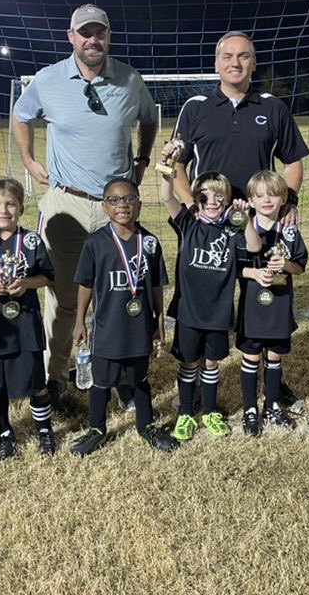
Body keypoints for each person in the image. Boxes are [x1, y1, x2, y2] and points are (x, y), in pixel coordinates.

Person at [12, 4, 158, 412]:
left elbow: (149, 119)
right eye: (85, 33)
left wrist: (142, 159)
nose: (93, 40)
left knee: (122, 292)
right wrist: (28, 159)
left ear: (108, 36)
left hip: (117, 207)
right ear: (71, 37)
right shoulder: (48, 79)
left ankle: (124, 377)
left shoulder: (130, 79)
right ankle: (54, 377)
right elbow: (21, 115)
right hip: (67, 204)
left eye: (100, 33)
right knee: (62, 297)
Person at [169, 30, 309, 408]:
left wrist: (289, 200)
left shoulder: (273, 107)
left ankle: (270, 381)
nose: (235, 62)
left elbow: (293, 162)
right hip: (207, 225)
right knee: (199, 300)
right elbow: (177, 164)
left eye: (243, 56)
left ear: (253, 63)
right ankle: (193, 384)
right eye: (228, 56)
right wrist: (192, 206)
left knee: (262, 299)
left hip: (254, 225)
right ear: (216, 63)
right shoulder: (195, 107)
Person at [70, 177, 176, 456]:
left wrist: (159, 320)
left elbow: (156, 285)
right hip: (108, 328)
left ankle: (146, 427)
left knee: (139, 378)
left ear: (139, 205)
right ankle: (97, 429)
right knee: (102, 381)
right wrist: (80, 321)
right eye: (114, 200)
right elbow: (85, 284)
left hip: (139, 327)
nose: (122, 205)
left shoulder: (149, 243)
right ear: (104, 207)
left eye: (129, 199)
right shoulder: (95, 242)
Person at [158, 159, 261, 442]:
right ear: (196, 198)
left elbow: (254, 247)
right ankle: (185, 413)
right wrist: (167, 165)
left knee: (212, 364)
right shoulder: (188, 225)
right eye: (204, 196)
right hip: (189, 311)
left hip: (218, 312)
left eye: (219, 197)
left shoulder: (232, 230)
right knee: (189, 363)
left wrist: (246, 220)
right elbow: (166, 196)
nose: (212, 202)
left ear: (227, 200)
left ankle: (210, 411)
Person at [0, 176, 57, 460]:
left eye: (10, 204)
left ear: (21, 208)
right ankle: (5, 432)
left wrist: (27, 283)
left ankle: (44, 429)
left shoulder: (32, 241)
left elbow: (47, 277)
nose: (4, 210)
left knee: (36, 380)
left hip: (26, 323)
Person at [236, 170, 308, 436]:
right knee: (251, 356)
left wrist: (285, 264)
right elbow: (233, 268)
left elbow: (300, 267)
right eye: (260, 195)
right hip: (252, 306)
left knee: (275, 356)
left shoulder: (289, 231)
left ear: (284, 199)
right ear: (251, 201)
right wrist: (254, 273)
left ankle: (272, 405)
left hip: (280, 303)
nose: (267, 200)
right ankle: (249, 409)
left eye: (273, 195)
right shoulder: (242, 228)